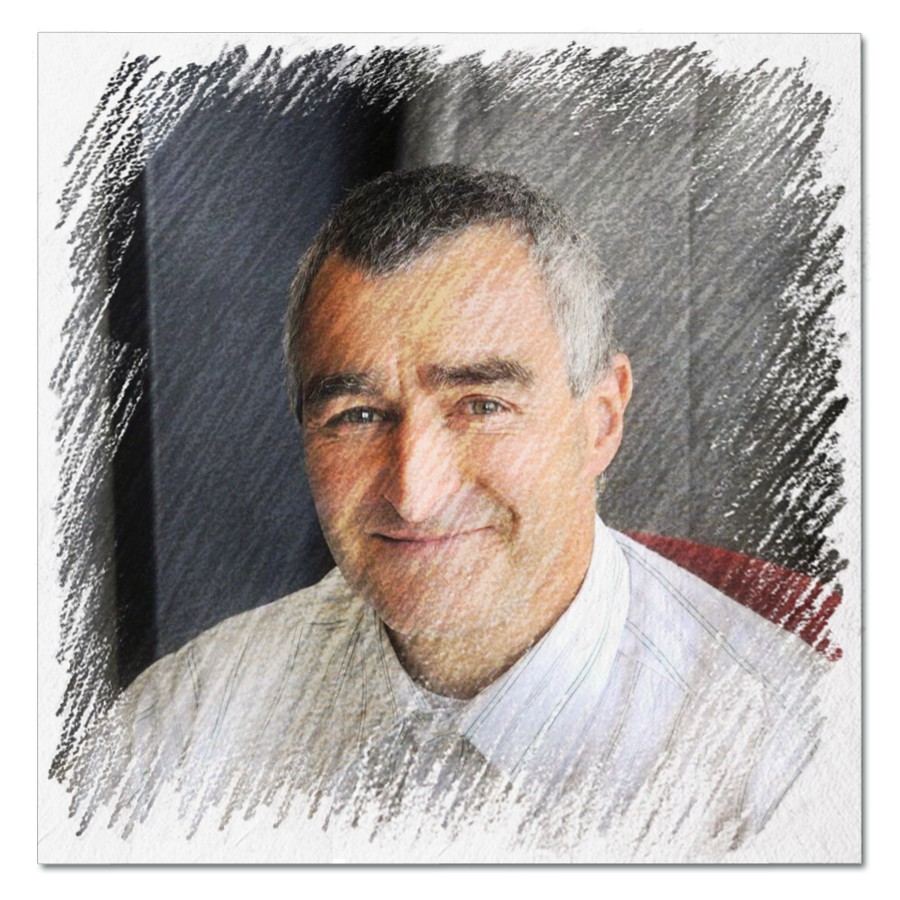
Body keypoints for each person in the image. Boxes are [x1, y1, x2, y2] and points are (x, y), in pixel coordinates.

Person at [72, 165, 828, 861]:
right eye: (357, 415)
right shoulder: (184, 727)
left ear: (599, 421)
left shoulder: (794, 769)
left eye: (481, 405)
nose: (415, 494)